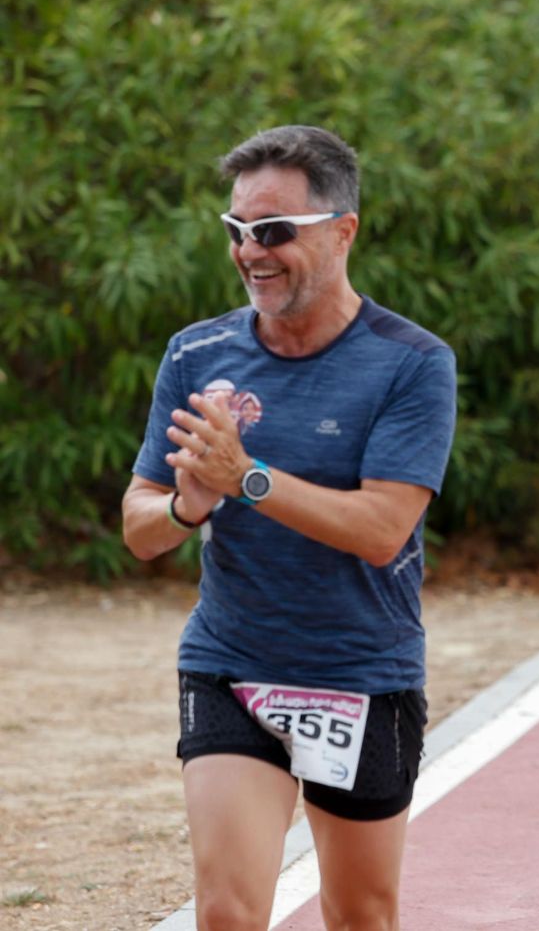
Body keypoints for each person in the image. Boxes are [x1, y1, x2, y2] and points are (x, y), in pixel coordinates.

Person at [121, 126, 457, 931]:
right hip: (231, 664)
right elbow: (140, 528)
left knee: (360, 914)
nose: (250, 252)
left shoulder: (411, 363)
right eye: (236, 231)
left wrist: (249, 480)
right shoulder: (196, 353)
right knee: (229, 914)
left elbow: (382, 530)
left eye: (273, 232)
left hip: (361, 672)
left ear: (344, 230)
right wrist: (187, 505)